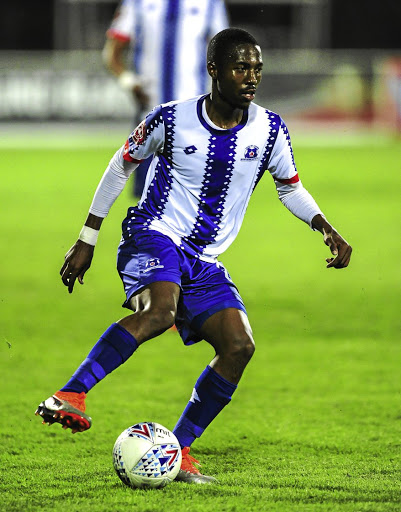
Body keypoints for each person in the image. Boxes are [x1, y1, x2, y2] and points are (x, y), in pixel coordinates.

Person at [36, 28, 352, 484]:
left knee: (239, 346)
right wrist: (88, 236)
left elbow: (290, 187)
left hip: (204, 259)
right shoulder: (171, 119)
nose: (251, 77)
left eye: (257, 68)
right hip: (154, 233)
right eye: (241, 67)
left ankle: (177, 451)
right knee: (160, 312)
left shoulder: (270, 129)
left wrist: (326, 227)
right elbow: (121, 161)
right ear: (214, 70)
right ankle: (70, 393)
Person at [103, 0, 229, 197]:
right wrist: (129, 82)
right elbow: (112, 53)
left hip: (195, 120)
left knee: (194, 204)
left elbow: (225, 53)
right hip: (149, 119)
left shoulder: (210, 3)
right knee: (148, 205)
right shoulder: (137, 3)